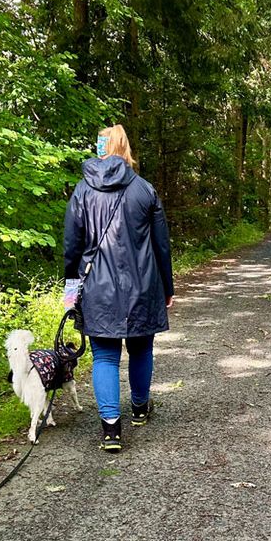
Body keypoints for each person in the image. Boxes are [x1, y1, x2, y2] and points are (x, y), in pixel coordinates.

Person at [63, 124, 174, 452]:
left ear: (100, 147)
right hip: (142, 287)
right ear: (125, 148)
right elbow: (161, 246)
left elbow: (72, 246)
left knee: (105, 356)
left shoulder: (83, 191)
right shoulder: (144, 190)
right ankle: (140, 408)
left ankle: (111, 429)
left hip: (98, 290)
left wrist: (71, 294)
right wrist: (167, 288)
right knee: (141, 349)